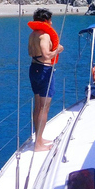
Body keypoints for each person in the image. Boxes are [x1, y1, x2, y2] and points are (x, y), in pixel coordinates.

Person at [27, 8, 64, 151]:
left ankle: (39, 138)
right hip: (44, 70)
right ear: (46, 21)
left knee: (37, 105)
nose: (51, 22)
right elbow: (47, 55)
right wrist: (58, 50)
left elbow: (31, 52)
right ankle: (38, 145)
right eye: (50, 20)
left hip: (33, 69)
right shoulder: (44, 36)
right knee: (44, 107)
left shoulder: (32, 35)